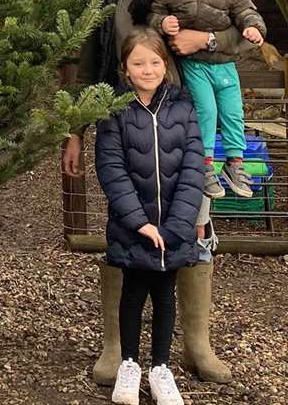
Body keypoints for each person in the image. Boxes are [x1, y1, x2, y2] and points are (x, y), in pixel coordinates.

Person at [62, 0, 238, 386]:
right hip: (125, 120)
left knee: (193, 222)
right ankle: (115, 347)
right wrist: (74, 130)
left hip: (186, 119)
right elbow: (87, 60)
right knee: (126, 226)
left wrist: (202, 43)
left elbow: (241, 34)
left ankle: (196, 344)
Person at [95, 28, 206, 405]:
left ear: (166, 65)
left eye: (155, 62)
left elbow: (193, 170)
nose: (148, 69)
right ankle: (129, 364)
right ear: (125, 69)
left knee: (165, 296)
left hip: (173, 226)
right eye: (139, 63)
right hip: (133, 225)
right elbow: (111, 169)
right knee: (132, 294)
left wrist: (177, 225)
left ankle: (161, 367)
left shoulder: (183, 108)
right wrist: (138, 221)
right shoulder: (115, 112)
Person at [150, 0, 268, 200]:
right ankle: (205, 165)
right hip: (195, 64)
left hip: (225, 63)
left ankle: (235, 162)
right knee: (206, 109)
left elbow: (245, 11)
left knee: (232, 111)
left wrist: (252, 27)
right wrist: (163, 23)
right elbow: (155, 14)